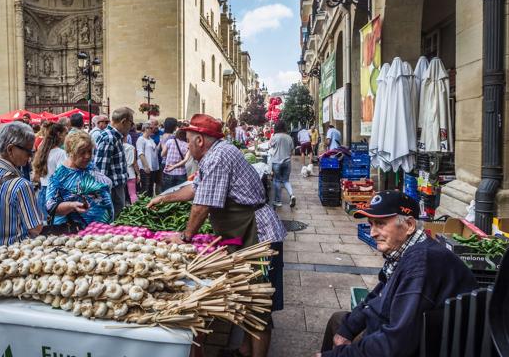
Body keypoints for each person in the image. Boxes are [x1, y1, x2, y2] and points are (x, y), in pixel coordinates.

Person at [147, 114, 286, 357]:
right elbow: (194, 188)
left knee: (259, 304)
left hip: (259, 236)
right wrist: (164, 197)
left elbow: (202, 205)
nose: (188, 147)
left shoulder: (218, 157)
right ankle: (244, 350)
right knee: (248, 295)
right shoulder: (216, 154)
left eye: (189, 141)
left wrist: (186, 236)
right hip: (246, 234)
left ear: (200, 140)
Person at [317, 191, 477, 357]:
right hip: (400, 330)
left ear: (409, 225)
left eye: (380, 224)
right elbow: (378, 295)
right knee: (338, 321)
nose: (372, 233)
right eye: (371, 224)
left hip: (428, 346)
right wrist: (348, 328)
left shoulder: (421, 263)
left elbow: (398, 343)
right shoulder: (404, 252)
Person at [47, 131, 114, 226]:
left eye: (89, 151)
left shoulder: (90, 166)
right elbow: (51, 207)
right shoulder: (59, 176)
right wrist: (72, 205)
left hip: (103, 228)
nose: (87, 156)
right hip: (80, 233)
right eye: (82, 152)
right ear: (70, 152)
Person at [93, 107, 134, 218]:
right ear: (124, 121)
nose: (132, 126)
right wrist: (103, 194)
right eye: (131, 123)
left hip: (116, 187)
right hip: (112, 189)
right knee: (113, 219)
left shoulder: (114, 137)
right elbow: (100, 169)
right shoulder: (109, 138)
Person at [32, 123, 68, 218]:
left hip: (43, 192)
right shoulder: (60, 153)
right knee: (56, 227)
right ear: (59, 134)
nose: (66, 137)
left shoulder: (42, 150)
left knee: (45, 226)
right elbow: (61, 176)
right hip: (55, 193)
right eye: (65, 134)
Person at [271, 121, 296, 208]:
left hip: (277, 162)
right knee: (286, 180)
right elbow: (292, 150)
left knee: (277, 180)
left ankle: (278, 201)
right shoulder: (289, 137)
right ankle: (292, 195)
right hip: (287, 162)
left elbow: (270, 146)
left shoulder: (275, 137)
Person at [136, 121, 159, 197]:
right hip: (146, 168)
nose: (152, 130)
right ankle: (144, 206)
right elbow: (140, 153)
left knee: (150, 188)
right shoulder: (141, 139)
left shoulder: (151, 139)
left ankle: (150, 206)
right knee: (145, 189)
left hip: (153, 168)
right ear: (146, 129)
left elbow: (155, 151)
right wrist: (146, 166)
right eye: (151, 128)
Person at [123, 134, 139, 203]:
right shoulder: (131, 147)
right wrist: (138, 174)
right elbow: (134, 162)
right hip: (131, 172)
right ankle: (135, 208)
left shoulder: (118, 147)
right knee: (132, 193)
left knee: (121, 194)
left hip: (121, 173)